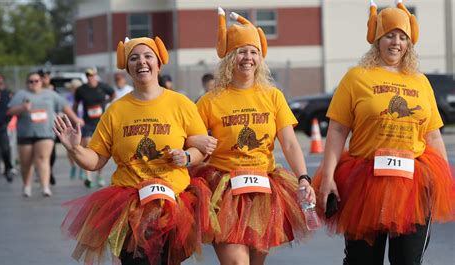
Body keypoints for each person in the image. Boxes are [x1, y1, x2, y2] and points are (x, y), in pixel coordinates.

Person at [314, 1, 455, 264]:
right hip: (365, 181)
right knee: (362, 260)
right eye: (390, 35)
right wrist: (328, 176)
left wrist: (443, 180)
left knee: (408, 260)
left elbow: (433, 135)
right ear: (378, 39)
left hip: (414, 182)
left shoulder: (420, 81)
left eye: (402, 37)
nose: (396, 42)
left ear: (409, 43)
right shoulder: (357, 77)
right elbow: (337, 130)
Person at [56, 36, 216, 265]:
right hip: (131, 203)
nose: (142, 62)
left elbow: (200, 147)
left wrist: (187, 156)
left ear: (159, 63)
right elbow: (95, 161)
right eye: (134, 58)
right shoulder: (116, 111)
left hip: (175, 202)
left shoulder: (181, 104)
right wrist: (74, 149)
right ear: (128, 67)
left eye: (148, 56)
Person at [189, 8, 315, 265]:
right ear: (229, 57)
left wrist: (303, 178)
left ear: (260, 57)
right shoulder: (210, 101)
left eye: (253, 51)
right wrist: (196, 142)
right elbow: (191, 137)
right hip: (223, 189)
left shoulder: (272, 96)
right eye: (241, 51)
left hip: (263, 189)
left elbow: (289, 142)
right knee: (237, 262)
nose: (247, 57)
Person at [7, 72, 79, 197]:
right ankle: (26, 186)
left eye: (36, 81)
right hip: (25, 133)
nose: (34, 83)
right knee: (25, 162)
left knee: (43, 158)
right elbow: (10, 111)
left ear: (41, 82)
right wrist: (23, 108)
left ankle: (45, 187)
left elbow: (64, 106)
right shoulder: (21, 94)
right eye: (31, 81)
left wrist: (76, 120)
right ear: (27, 83)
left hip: (45, 132)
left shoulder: (50, 94)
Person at [73, 67, 115, 188]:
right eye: (88, 75)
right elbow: (76, 105)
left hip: (100, 122)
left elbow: (113, 94)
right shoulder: (81, 90)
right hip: (87, 122)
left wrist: (107, 102)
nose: (90, 77)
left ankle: (100, 175)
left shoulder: (103, 87)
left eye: (92, 75)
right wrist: (76, 118)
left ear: (96, 75)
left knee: (100, 149)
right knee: (87, 145)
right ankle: (88, 176)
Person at [38, 69, 59, 185]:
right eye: (44, 77)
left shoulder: (53, 90)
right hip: (38, 124)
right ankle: (42, 173)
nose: (46, 79)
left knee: (52, 153)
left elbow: (60, 105)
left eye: (47, 76)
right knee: (40, 153)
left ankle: (49, 171)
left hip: (51, 125)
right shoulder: (37, 91)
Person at [64, 79, 84, 179]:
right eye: (74, 87)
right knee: (69, 148)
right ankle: (73, 166)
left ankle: (82, 169)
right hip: (71, 124)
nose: (76, 89)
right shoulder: (67, 97)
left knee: (82, 147)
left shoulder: (83, 96)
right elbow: (65, 110)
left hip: (82, 124)